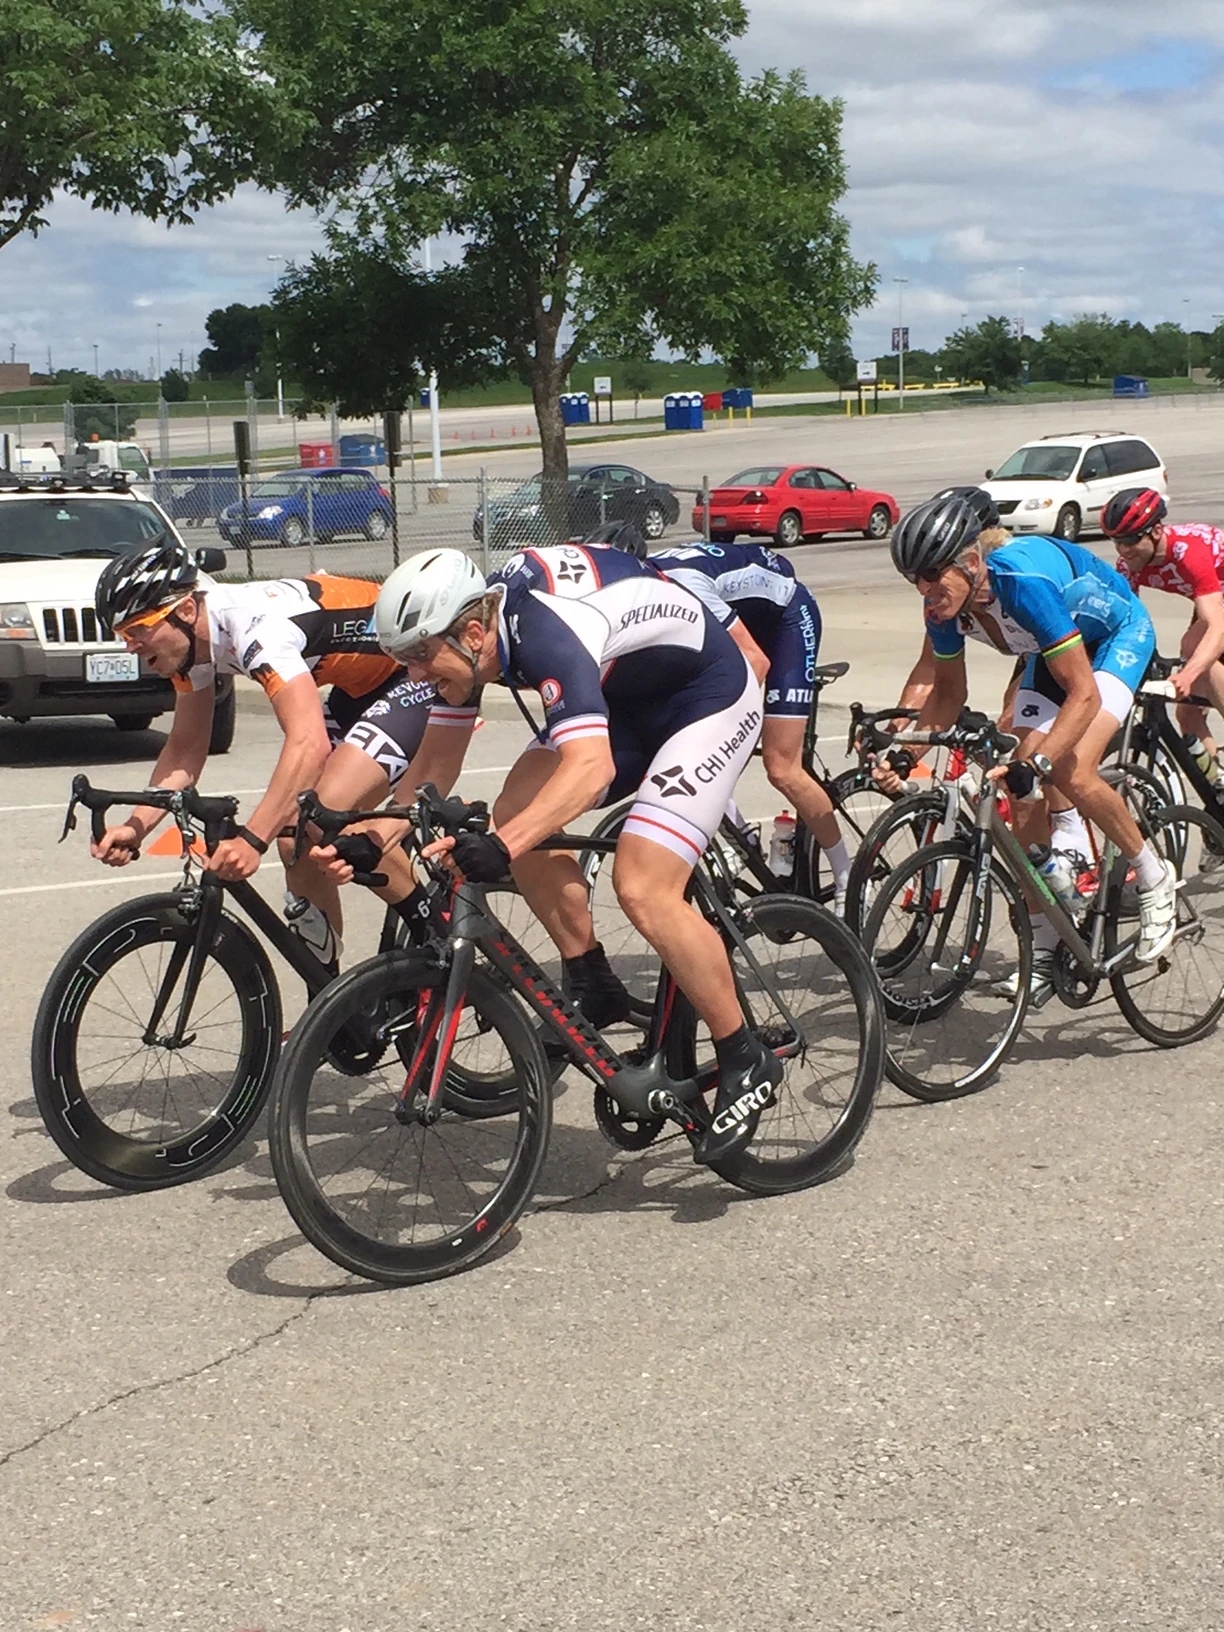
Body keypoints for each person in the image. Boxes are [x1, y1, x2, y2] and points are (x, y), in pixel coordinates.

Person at [365, 542, 776, 1165]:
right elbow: (433, 766)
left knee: (642, 884)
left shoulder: (544, 635)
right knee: (517, 812)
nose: (416, 674)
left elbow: (590, 769)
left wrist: (502, 847)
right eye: (404, 659)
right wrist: (368, 835)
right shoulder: (473, 647)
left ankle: (746, 1056)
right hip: (627, 699)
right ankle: (592, 980)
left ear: (473, 632)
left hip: (707, 695)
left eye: (420, 655)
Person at [89, 537, 442, 968]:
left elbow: (307, 742)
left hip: (417, 675)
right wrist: (137, 826)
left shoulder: (256, 630)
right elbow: (185, 749)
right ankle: (331, 1010)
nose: (130, 646)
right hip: (359, 689)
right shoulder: (192, 643)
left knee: (323, 814)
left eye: (137, 630)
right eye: (123, 635)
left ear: (183, 610)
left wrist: (252, 838)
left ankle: (438, 938)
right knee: (294, 837)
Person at [888, 492, 1175, 998]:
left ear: (972, 562)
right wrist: (904, 752)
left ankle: (1154, 878)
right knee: (1018, 800)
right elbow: (949, 694)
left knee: (1072, 769)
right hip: (1055, 648)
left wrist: (1041, 761)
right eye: (915, 580)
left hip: (1115, 637)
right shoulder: (943, 611)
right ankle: (1045, 951)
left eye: (933, 575)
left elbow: (1084, 693)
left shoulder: (1021, 586)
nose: (925, 591)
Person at [627, 530, 853, 911]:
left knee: (782, 768)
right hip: (736, 620)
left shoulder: (681, 585)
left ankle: (848, 877)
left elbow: (755, 660)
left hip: (785, 619)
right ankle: (740, 837)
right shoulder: (640, 600)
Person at [874, 486, 1093, 870]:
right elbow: (932, 673)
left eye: (931, 570)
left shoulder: (1010, 574)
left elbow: (1045, 675)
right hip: (1031, 650)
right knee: (1013, 734)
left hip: (1072, 638)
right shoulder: (945, 599)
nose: (923, 586)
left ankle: (1071, 834)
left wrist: (1016, 734)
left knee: (1023, 735)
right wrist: (901, 734)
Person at [1103, 486, 1224, 765]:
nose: (1124, 550)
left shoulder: (1188, 551)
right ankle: (1217, 782)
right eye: (1116, 541)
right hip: (1214, 602)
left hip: (1215, 608)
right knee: (1188, 715)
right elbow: (1125, 623)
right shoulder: (1129, 565)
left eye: (1131, 540)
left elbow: (1215, 626)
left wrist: (1188, 675)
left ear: (1156, 532)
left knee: (1192, 645)